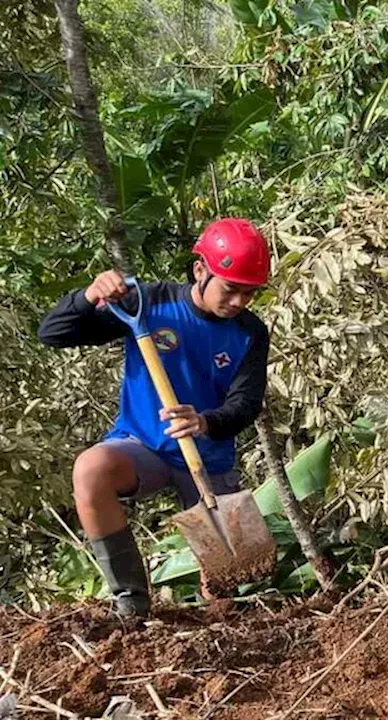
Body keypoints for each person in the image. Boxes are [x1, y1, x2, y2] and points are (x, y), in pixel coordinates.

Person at [37, 219, 272, 618]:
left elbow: (246, 403)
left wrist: (205, 422)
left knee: (232, 592)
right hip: (142, 444)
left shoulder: (250, 332)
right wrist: (88, 296)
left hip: (207, 459)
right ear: (200, 270)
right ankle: (131, 603)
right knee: (90, 470)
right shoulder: (148, 303)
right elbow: (53, 333)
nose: (238, 302)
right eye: (230, 289)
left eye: (249, 294)